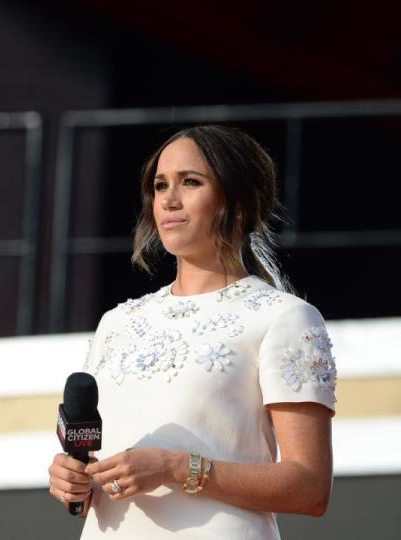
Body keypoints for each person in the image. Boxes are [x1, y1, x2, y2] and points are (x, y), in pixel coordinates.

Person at [47, 125, 336, 538]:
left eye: (190, 182)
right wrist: (74, 480)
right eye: (160, 185)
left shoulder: (283, 318)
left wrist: (175, 467)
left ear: (238, 203)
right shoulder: (118, 323)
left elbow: (309, 488)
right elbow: (105, 475)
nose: (168, 198)